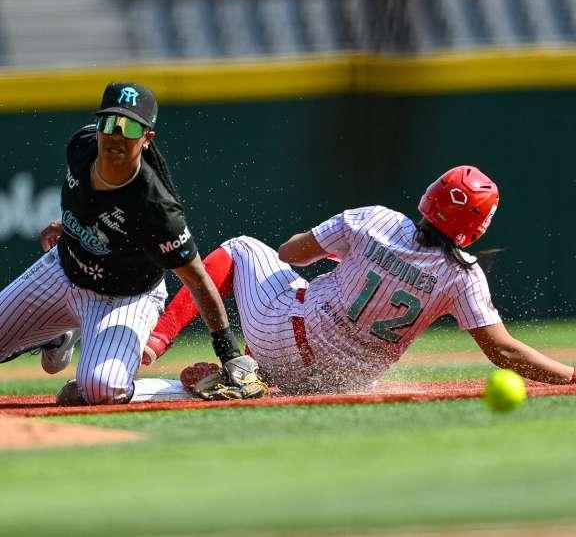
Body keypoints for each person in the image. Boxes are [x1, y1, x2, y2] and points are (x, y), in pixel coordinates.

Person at [144, 165, 576, 396]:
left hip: (284, 338)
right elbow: (503, 350)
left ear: (430, 195)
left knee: (241, 248)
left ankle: (162, 341)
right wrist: (571, 377)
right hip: (341, 383)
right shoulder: (463, 274)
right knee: (305, 303)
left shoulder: (375, 220)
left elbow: (289, 254)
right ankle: (254, 371)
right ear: (477, 227)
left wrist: (343, 250)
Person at [0, 81, 265, 405]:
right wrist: (69, 225)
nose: (116, 134)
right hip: (63, 269)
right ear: (97, 125)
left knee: (101, 388)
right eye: (109, 122)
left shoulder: (156, 207)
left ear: (147, 138)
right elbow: (93, 206)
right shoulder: (81, 146)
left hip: (124, 297)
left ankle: (189, 387)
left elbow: (198, 279)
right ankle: (57, 336)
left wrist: (229, 353)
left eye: (130, 127)